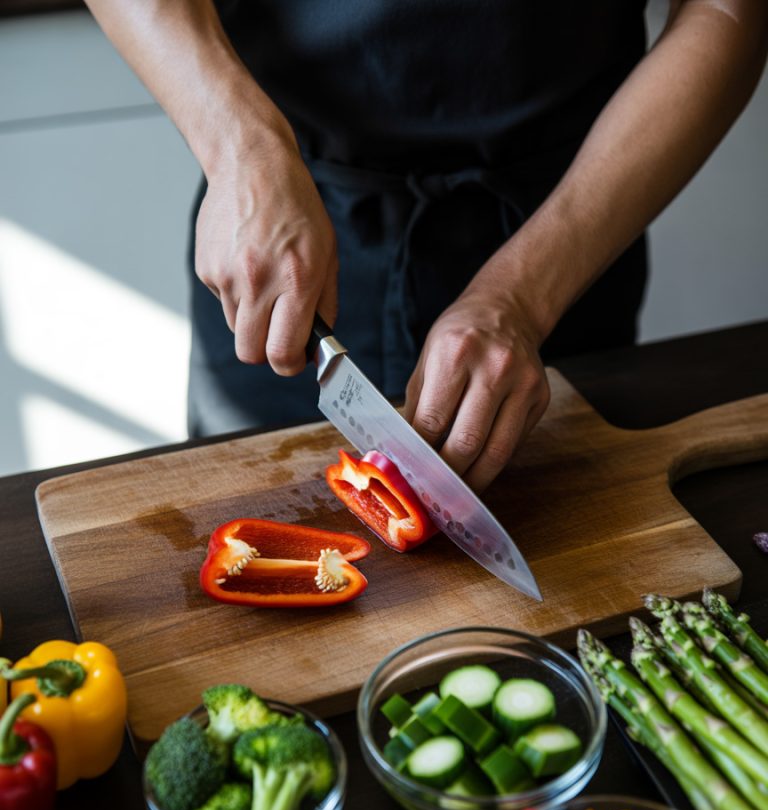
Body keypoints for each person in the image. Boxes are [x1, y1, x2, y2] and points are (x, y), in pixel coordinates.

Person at [84, 1, 767, 492]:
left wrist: (526, 297)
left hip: (567, 228)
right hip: (280, 227)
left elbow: (731, 10)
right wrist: (240, 146)